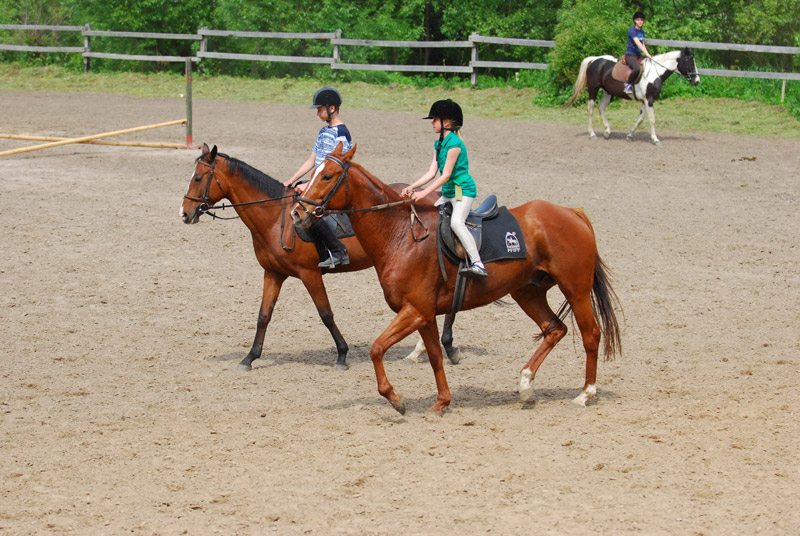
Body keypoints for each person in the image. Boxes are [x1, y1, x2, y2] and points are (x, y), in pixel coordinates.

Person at [401, 99, 487, 277]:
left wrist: (424, 192)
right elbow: (431, 172)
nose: (432, 123)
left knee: (456, 222)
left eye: (435, 120)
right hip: (449, 192)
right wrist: (412, 187)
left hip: (462, 190)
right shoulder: (439, 144)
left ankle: (477, 263)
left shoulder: (455, 144)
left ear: (446, 122)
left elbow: (446, 175)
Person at [283, 86, 353, 268]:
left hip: (330, 184)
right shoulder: (324, 132)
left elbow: (337, 169)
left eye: (320, 109)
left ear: (331, 109)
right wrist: (293, 179)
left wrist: (309, 185)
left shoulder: (341, 134)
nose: (317, 113)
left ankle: (337, 251)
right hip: (319, 180)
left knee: (311, 212)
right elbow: (312, 160)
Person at [624, 11, 652, 96]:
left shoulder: (642, 31)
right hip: (631, 55)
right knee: (636, 68)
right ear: (635, 21)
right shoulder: (632, 30)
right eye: (638, 19)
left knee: (649, 64)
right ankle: (628, 85)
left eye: (641, 20)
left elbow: (642, 43)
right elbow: (638, 43)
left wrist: (648, 54)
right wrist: (647, 54)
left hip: (638, 55)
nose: (640, 21)